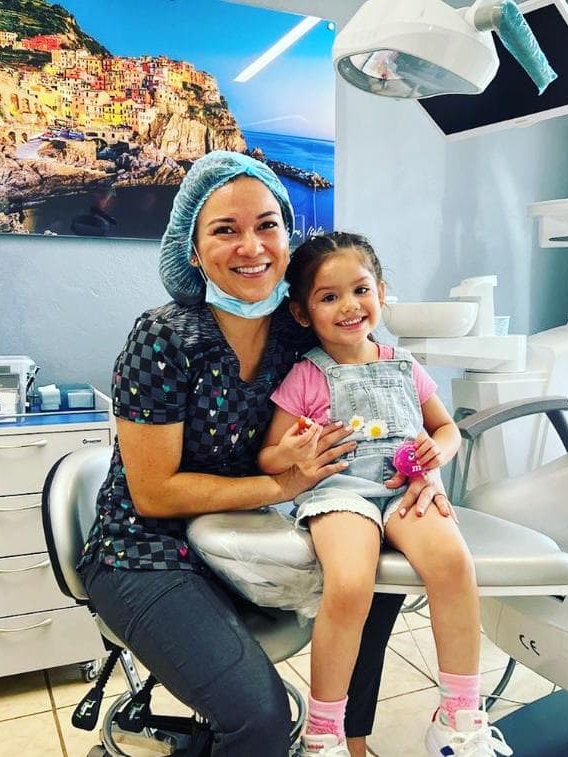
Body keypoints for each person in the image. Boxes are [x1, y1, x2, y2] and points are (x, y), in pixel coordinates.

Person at [77, 151, 447, 757]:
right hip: (146, 551)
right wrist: (283, 486)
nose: (252, 246)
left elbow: (390, 405)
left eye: (267, 225)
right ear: (193, 250)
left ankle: (346, 741)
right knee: (261, 722)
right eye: (225, 230)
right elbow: (155, 492)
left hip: (252, 535)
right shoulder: (165, 339)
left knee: (374, 581)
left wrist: (419, 472)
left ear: (287, 234)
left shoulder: (301, 332)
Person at [258, 232, 513, 757]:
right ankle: (324, 732)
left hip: (405, 489)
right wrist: (294, 450)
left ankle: (459, 716)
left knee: (453, 565)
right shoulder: (306, 375)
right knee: (350, 584)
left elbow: (447, 430)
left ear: (382, 291)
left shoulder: (405, 366)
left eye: (360, 289)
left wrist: (436, 457)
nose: (349, 306)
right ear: (303, 313)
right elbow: (268, 456)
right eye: (329, 297)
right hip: (341, 490)